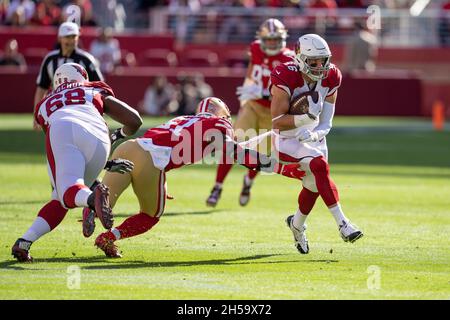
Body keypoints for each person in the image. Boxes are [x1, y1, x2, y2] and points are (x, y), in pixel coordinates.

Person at [90, 97, 306, 258]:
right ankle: (108, 238)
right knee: (150, 215)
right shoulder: (220, 124)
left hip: (129, 147)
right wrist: (280, 168)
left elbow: (162, 145)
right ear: (222, 112)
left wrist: (159, 179)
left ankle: (89, 207)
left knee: (103, 202)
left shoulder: (185, 118)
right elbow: (236, 154)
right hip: (151, 160)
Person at [11, 62, 142, 262]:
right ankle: (24, 242)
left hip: (62, 128)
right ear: (82, 77)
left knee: (65, 191)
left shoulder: (45, 103)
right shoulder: (92, 88)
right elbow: (134, 120)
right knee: (60, 197)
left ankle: (91, 200)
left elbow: (63, 145)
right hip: (100, 139)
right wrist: (116, 139)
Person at [270, 34, 363, 254]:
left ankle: (297, 224)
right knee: (320, 166)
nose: (320, 66)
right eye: (314, 61)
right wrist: (303, 119)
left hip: (313, 137)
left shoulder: (332, 77)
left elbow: (326, 122)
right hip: (287, 138)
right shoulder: (285, 76)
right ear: (301, 58)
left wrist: (314, 134)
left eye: (323, 60)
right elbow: (276, 123)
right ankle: (343, 224)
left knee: (313, 185)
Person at [206, 18, 294, 208]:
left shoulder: (289, 59)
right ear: (261, 39)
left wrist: (265, 92)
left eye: (274, 39)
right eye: (268, 39)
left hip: (273, 110)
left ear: (282, 38)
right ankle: (217, 186)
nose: (271, 43)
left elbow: (288, 92)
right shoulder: (255, 49)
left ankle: (248, 182)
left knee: (259, 152)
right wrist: (248, 92)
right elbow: (251, 72)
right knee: (232, 144)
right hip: (253, 105)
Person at [33, 21, 103, 130]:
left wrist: (99, 113)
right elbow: (41, 88)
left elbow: (100, 87)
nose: (71, 40)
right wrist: (36, 115)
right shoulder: (50, 59)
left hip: (82, 109)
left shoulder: (87, 60)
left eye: (73, 36)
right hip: (56, 109)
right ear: (60, 38)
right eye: (67, 37)